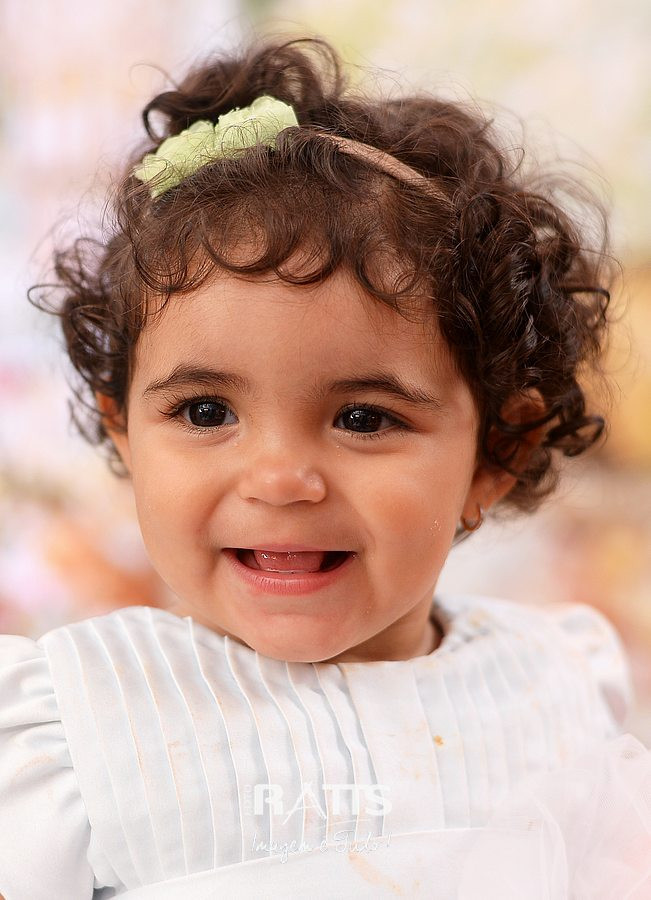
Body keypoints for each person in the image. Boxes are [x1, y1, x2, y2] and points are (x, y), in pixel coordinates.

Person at [0, 37, 649, 900]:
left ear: (497, 454)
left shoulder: (558, 693)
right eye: (205, 413)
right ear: (124, 433)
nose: (278, 480)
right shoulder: (68, 732)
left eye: (362, 418)